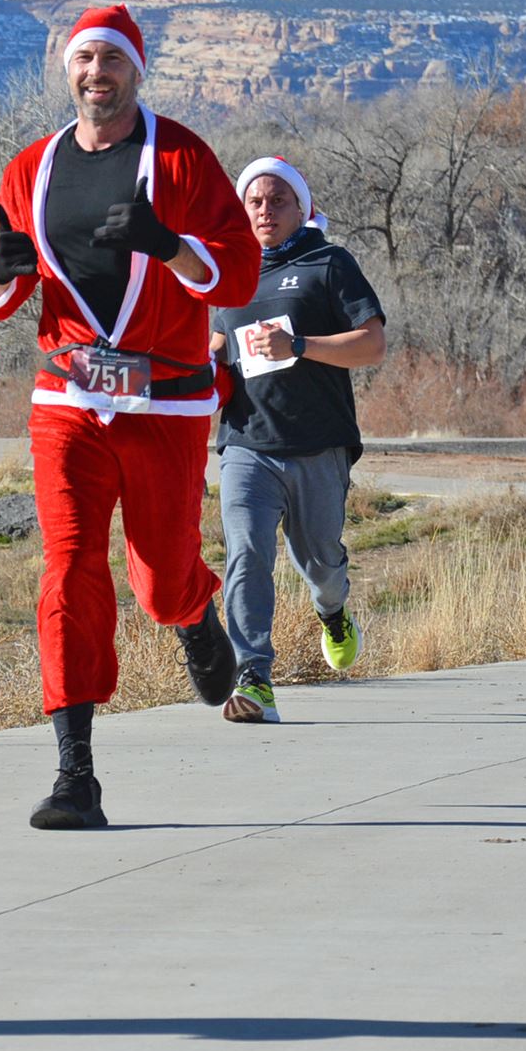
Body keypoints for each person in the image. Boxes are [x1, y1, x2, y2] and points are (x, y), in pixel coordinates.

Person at [0, 4, 256, 829]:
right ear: (68, 72)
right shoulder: (33, 168)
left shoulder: (182, 159)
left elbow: (237, 275)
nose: (97, 75)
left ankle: (194, 612)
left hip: (164, 401)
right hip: (67, 398)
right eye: (83, 61)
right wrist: (2, 271)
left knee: (161, 579)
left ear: (137, 71)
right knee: (68, 571)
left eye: (112, 63)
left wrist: (169, 246)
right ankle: (75, 775)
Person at [210, 157, 386, 722]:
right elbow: (211, 348)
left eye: (278, 200)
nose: (265, 210)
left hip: (318, 444)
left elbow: (372, 345)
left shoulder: (328, 263)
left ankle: (333, 612)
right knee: (246, 553)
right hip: (245, 443)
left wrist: (301, 346)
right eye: (255, 201)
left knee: (321, 564)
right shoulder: (226, 274)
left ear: (302, 207)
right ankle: (253, 676)